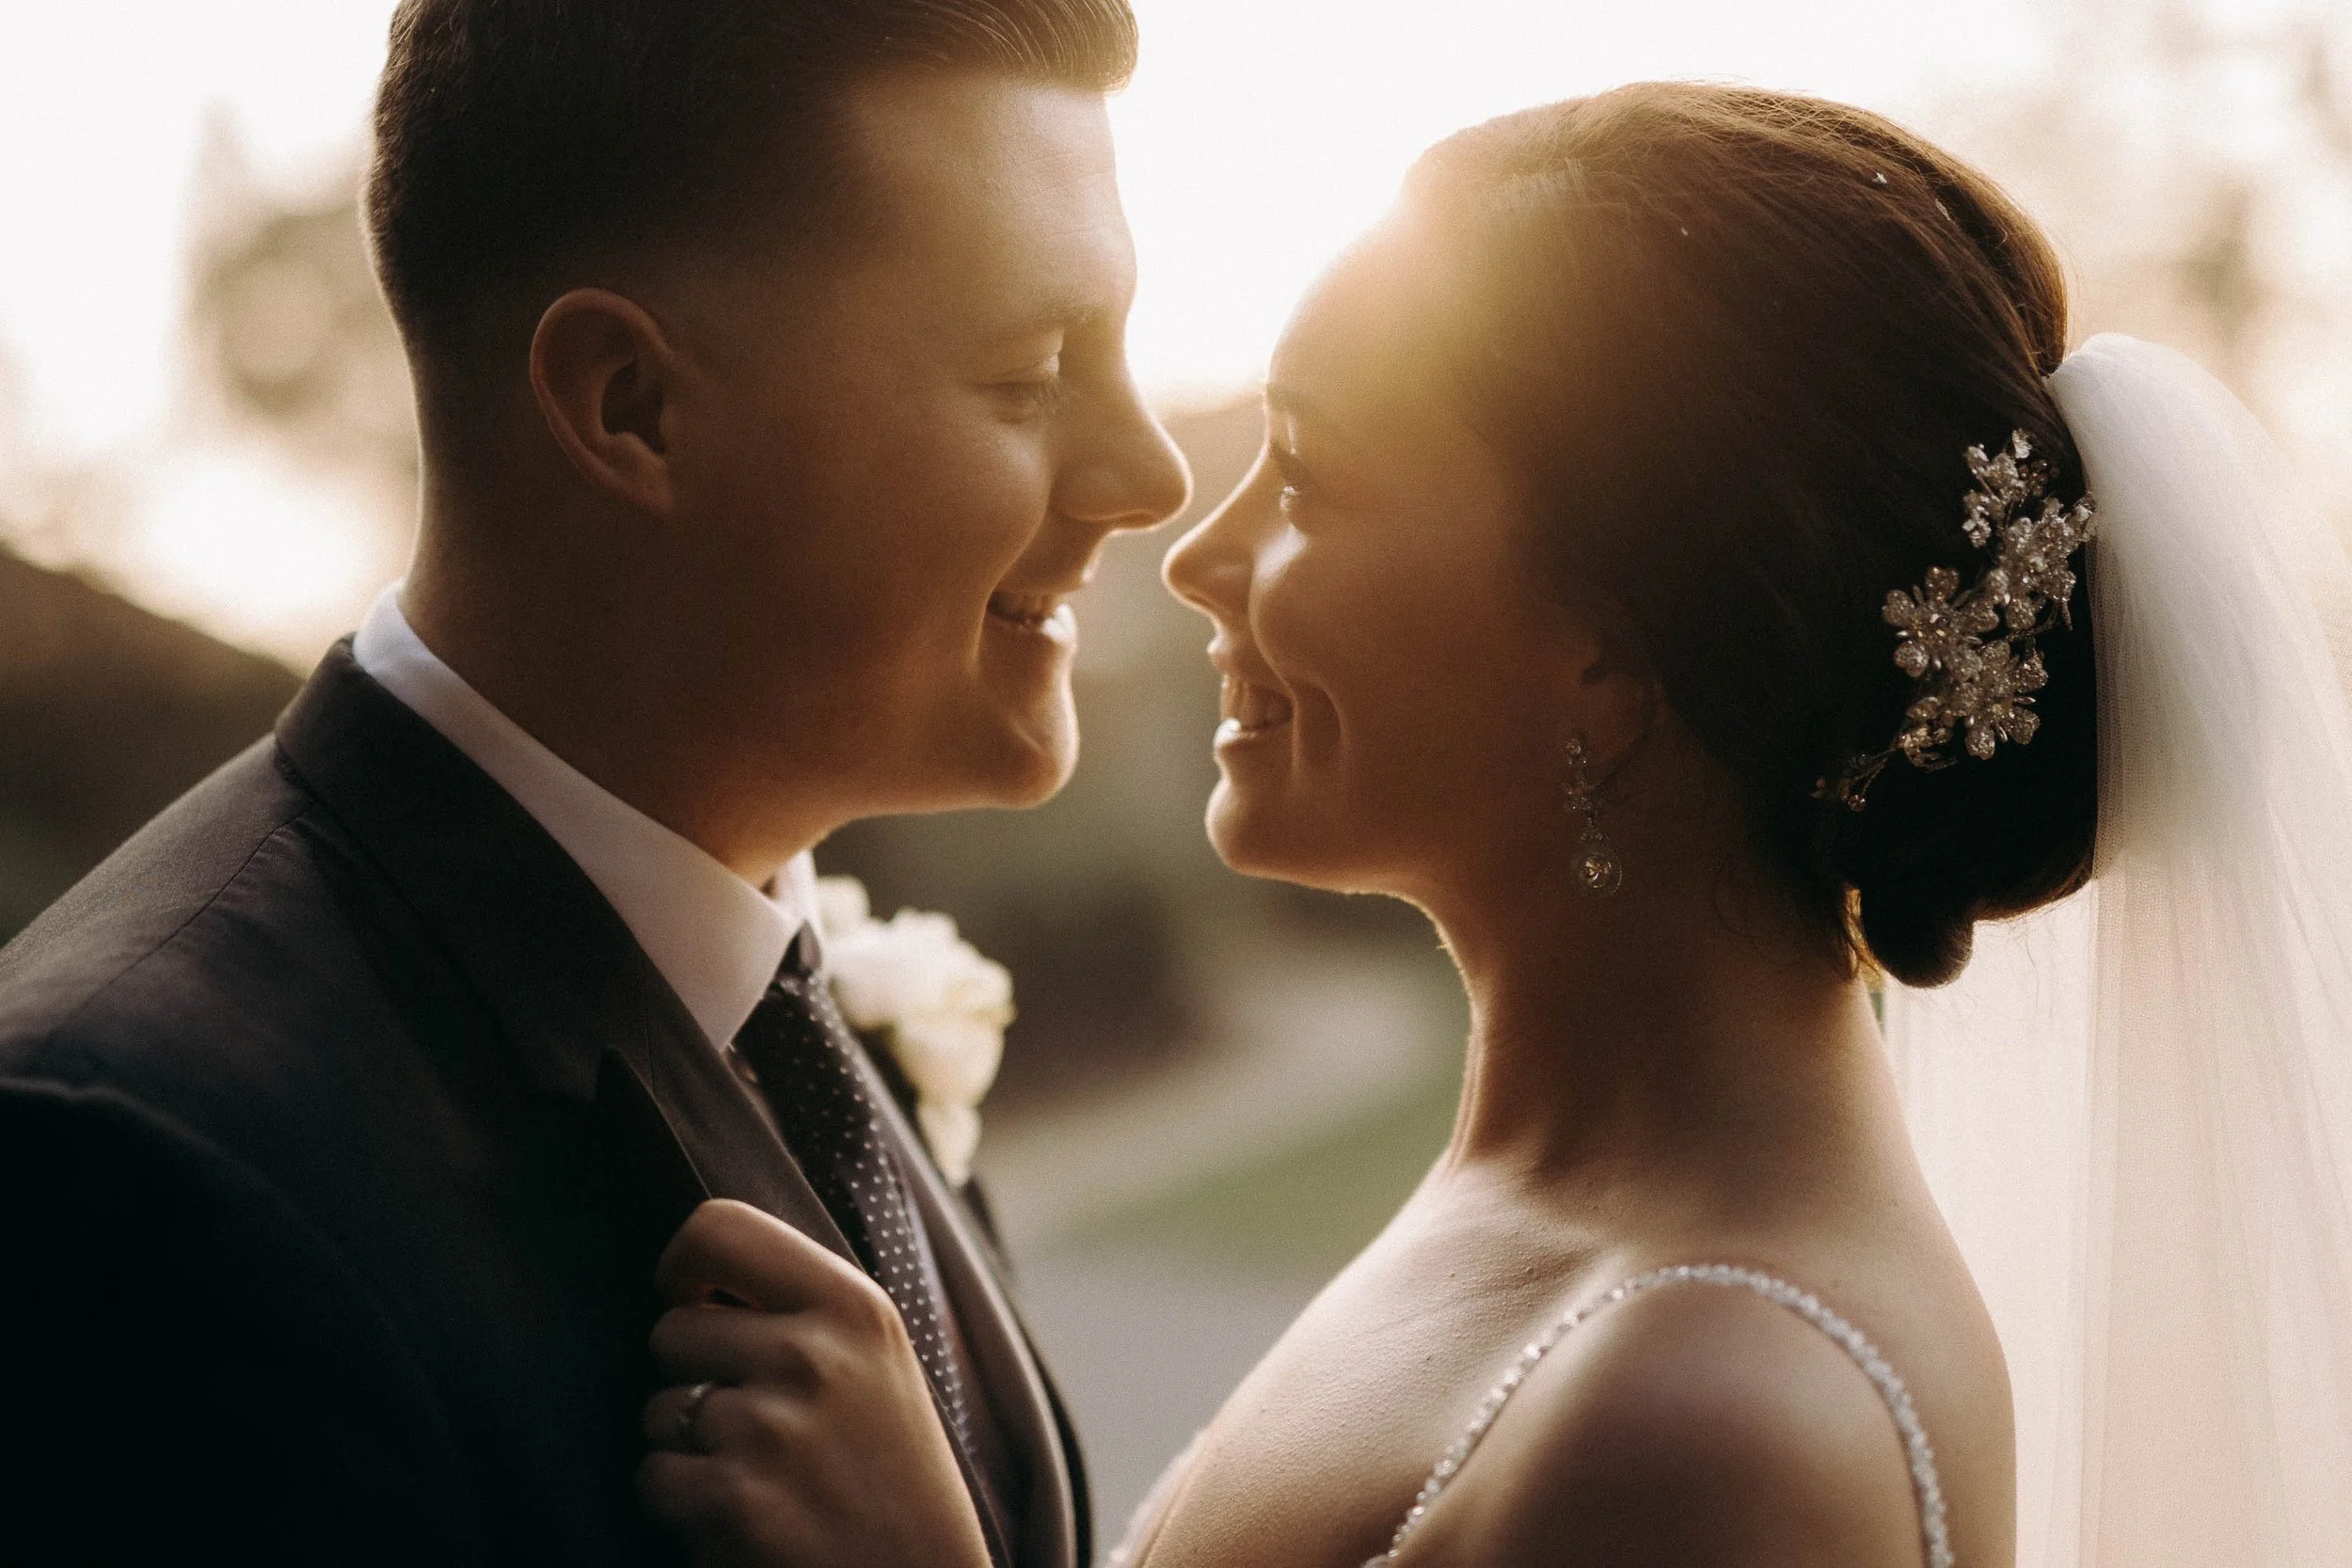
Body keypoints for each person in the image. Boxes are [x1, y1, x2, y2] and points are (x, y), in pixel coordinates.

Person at [631, 83, 2352, 1568]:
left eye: (1305, 476)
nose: (1200, 559)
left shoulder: (1719, 1419)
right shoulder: (1557, 1202)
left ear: (1608, 652)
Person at [0, 0, 1187, 1563]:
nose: (1152, 471)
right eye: (1033, 374)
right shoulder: (136, 1175)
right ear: (631, 405)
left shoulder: (792, 1011)